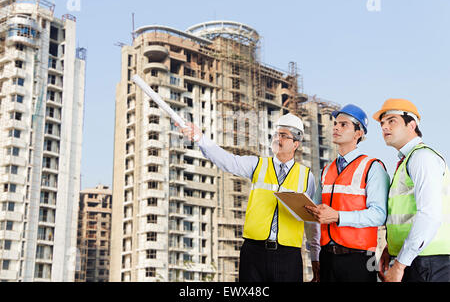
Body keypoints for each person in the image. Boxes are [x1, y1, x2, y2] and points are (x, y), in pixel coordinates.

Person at [177, 113, 320, 282]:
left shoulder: (306, 177)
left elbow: (311, 223)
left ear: (296, 143)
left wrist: (316, 258)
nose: (276, 138)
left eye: (283, 135)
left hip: (288, 255)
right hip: (253, 252)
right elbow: (228, 161)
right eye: (275, 134)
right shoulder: (257, 164)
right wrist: (201, 139)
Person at [305, 104, 389, 282]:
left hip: (361, 259)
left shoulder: (373, 167)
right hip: (327, 257)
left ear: (358, 133)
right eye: (336, 123)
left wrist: (338, 217)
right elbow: (315, 210)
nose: (336, 127)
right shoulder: (326, 170)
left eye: (344, 125)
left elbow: (379, 215)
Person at [374, 98, 450, 282]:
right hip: (414, 258)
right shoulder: (408, 161)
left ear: (412, 124)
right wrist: (389, 248)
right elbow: (405, 215)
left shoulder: (422, 157)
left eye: (392, 121)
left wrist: (400, 264)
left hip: (428, 261)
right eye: (382, 123)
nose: (384, 127)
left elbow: (429, 215)